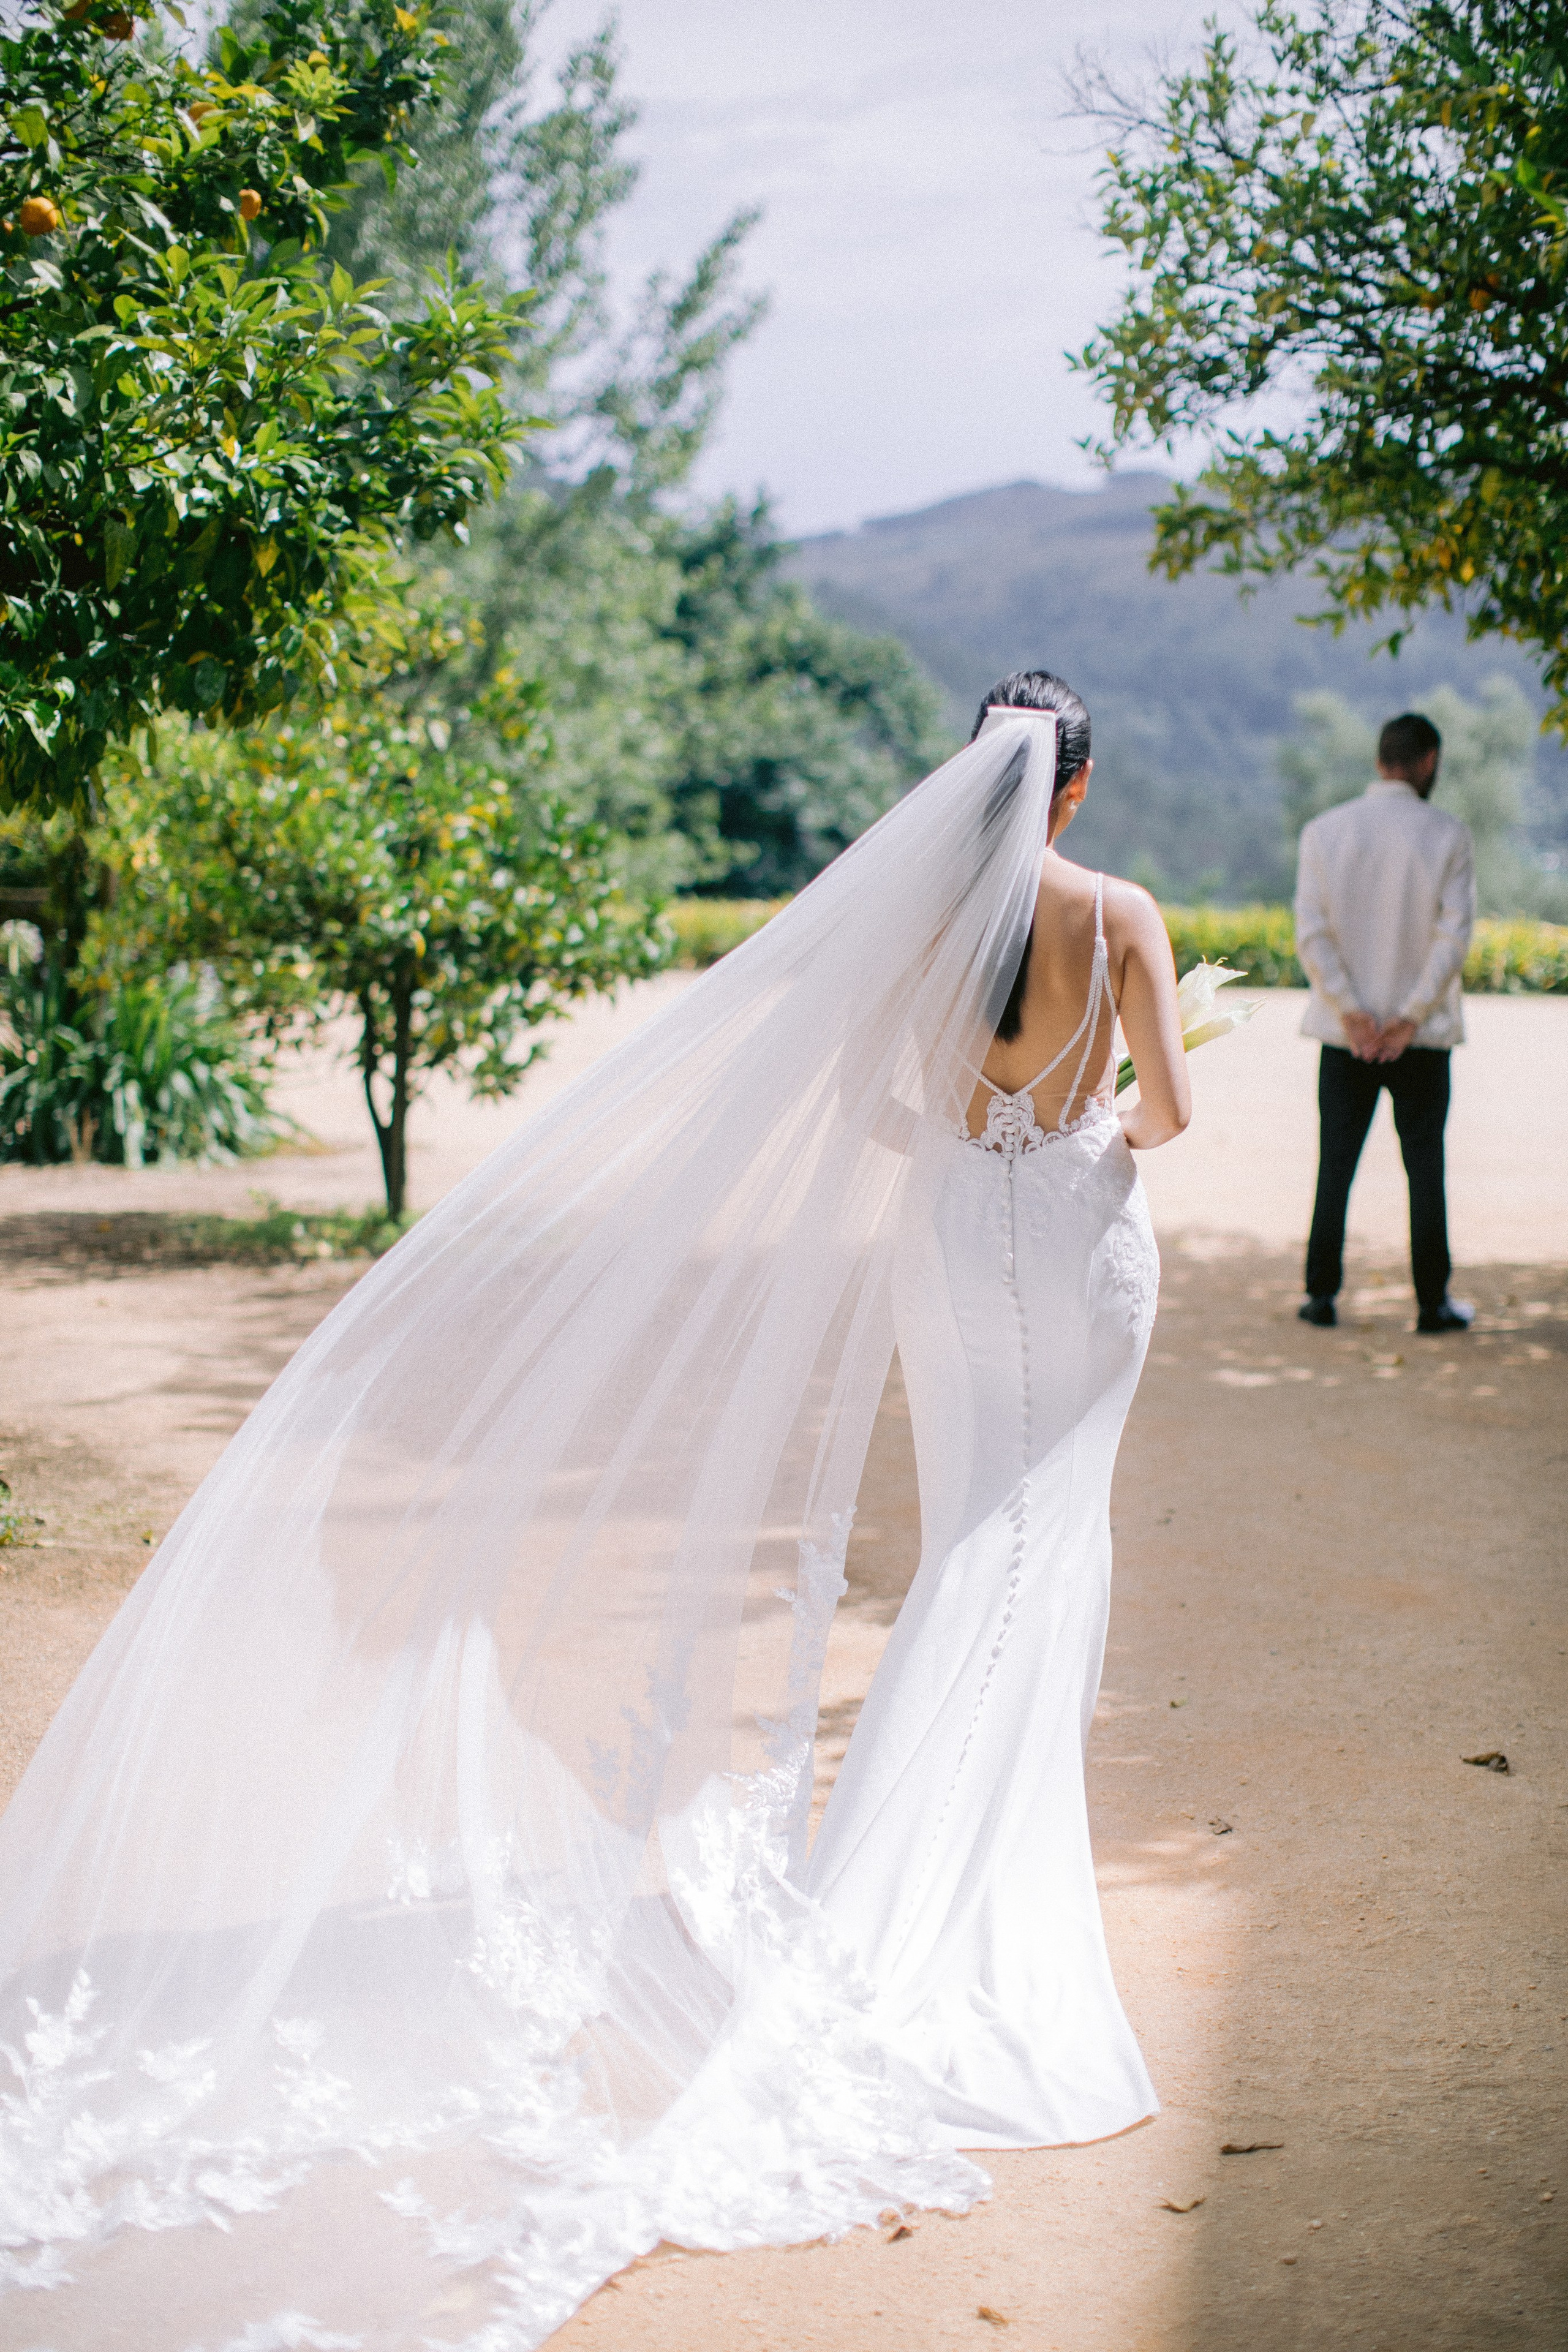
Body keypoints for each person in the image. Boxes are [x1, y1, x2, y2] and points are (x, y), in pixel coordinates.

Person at [0, 674, 1191, 2348]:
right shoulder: (1121, 911)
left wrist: (968, 1144)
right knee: (1046, 1541)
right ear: (1068, 794)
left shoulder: (921, 926)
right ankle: (978, 1896)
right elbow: (1170, 1110)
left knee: (968, 1543)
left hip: (949, 1235)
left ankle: (884, 1889)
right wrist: (1075, 1143)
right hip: (1077, 1240)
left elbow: (868, 1104)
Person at [1294, 710, 1476, 1333]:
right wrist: (1407, 1018)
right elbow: (1453, 939)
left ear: (1380, 760)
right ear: (1427, 761)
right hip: (1419, 1041)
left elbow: (1311, 936)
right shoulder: (1447, 835)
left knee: (1334, 1167)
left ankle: (1320, 1296)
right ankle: (1432, 1303)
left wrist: (1352, 1013)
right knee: (1425, 1169)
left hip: (1344, 1037)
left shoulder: (1323, 831)